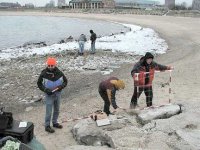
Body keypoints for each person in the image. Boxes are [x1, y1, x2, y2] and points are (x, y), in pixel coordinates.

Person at [37, 57, 68, 133]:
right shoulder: (43, 73)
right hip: (49, 95)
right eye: (49, 65)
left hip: (58, 93)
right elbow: (39, 84)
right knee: (49, 111)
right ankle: (47, 126)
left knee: (57, 109)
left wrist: (61, 86)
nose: (50, 67)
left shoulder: (59, 72)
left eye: (52, 65)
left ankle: (55, 123)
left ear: (55, 65)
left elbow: (65, 81)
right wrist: (45, 90)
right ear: (47, 65)